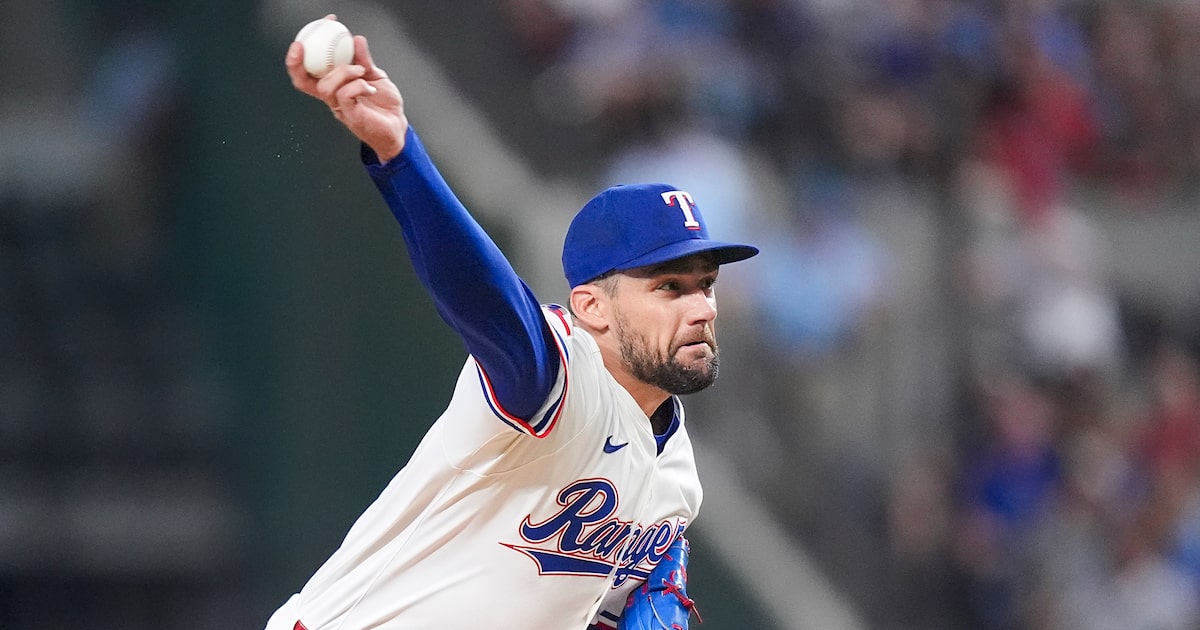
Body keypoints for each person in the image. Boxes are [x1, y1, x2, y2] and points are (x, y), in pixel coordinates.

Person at [267, 16, 758, 630]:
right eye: (668, 288)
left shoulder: (677, 480)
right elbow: (483, 296)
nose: (701, 308)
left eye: (705, 286)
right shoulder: (556, 376)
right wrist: (400, 156)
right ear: (590, 308)